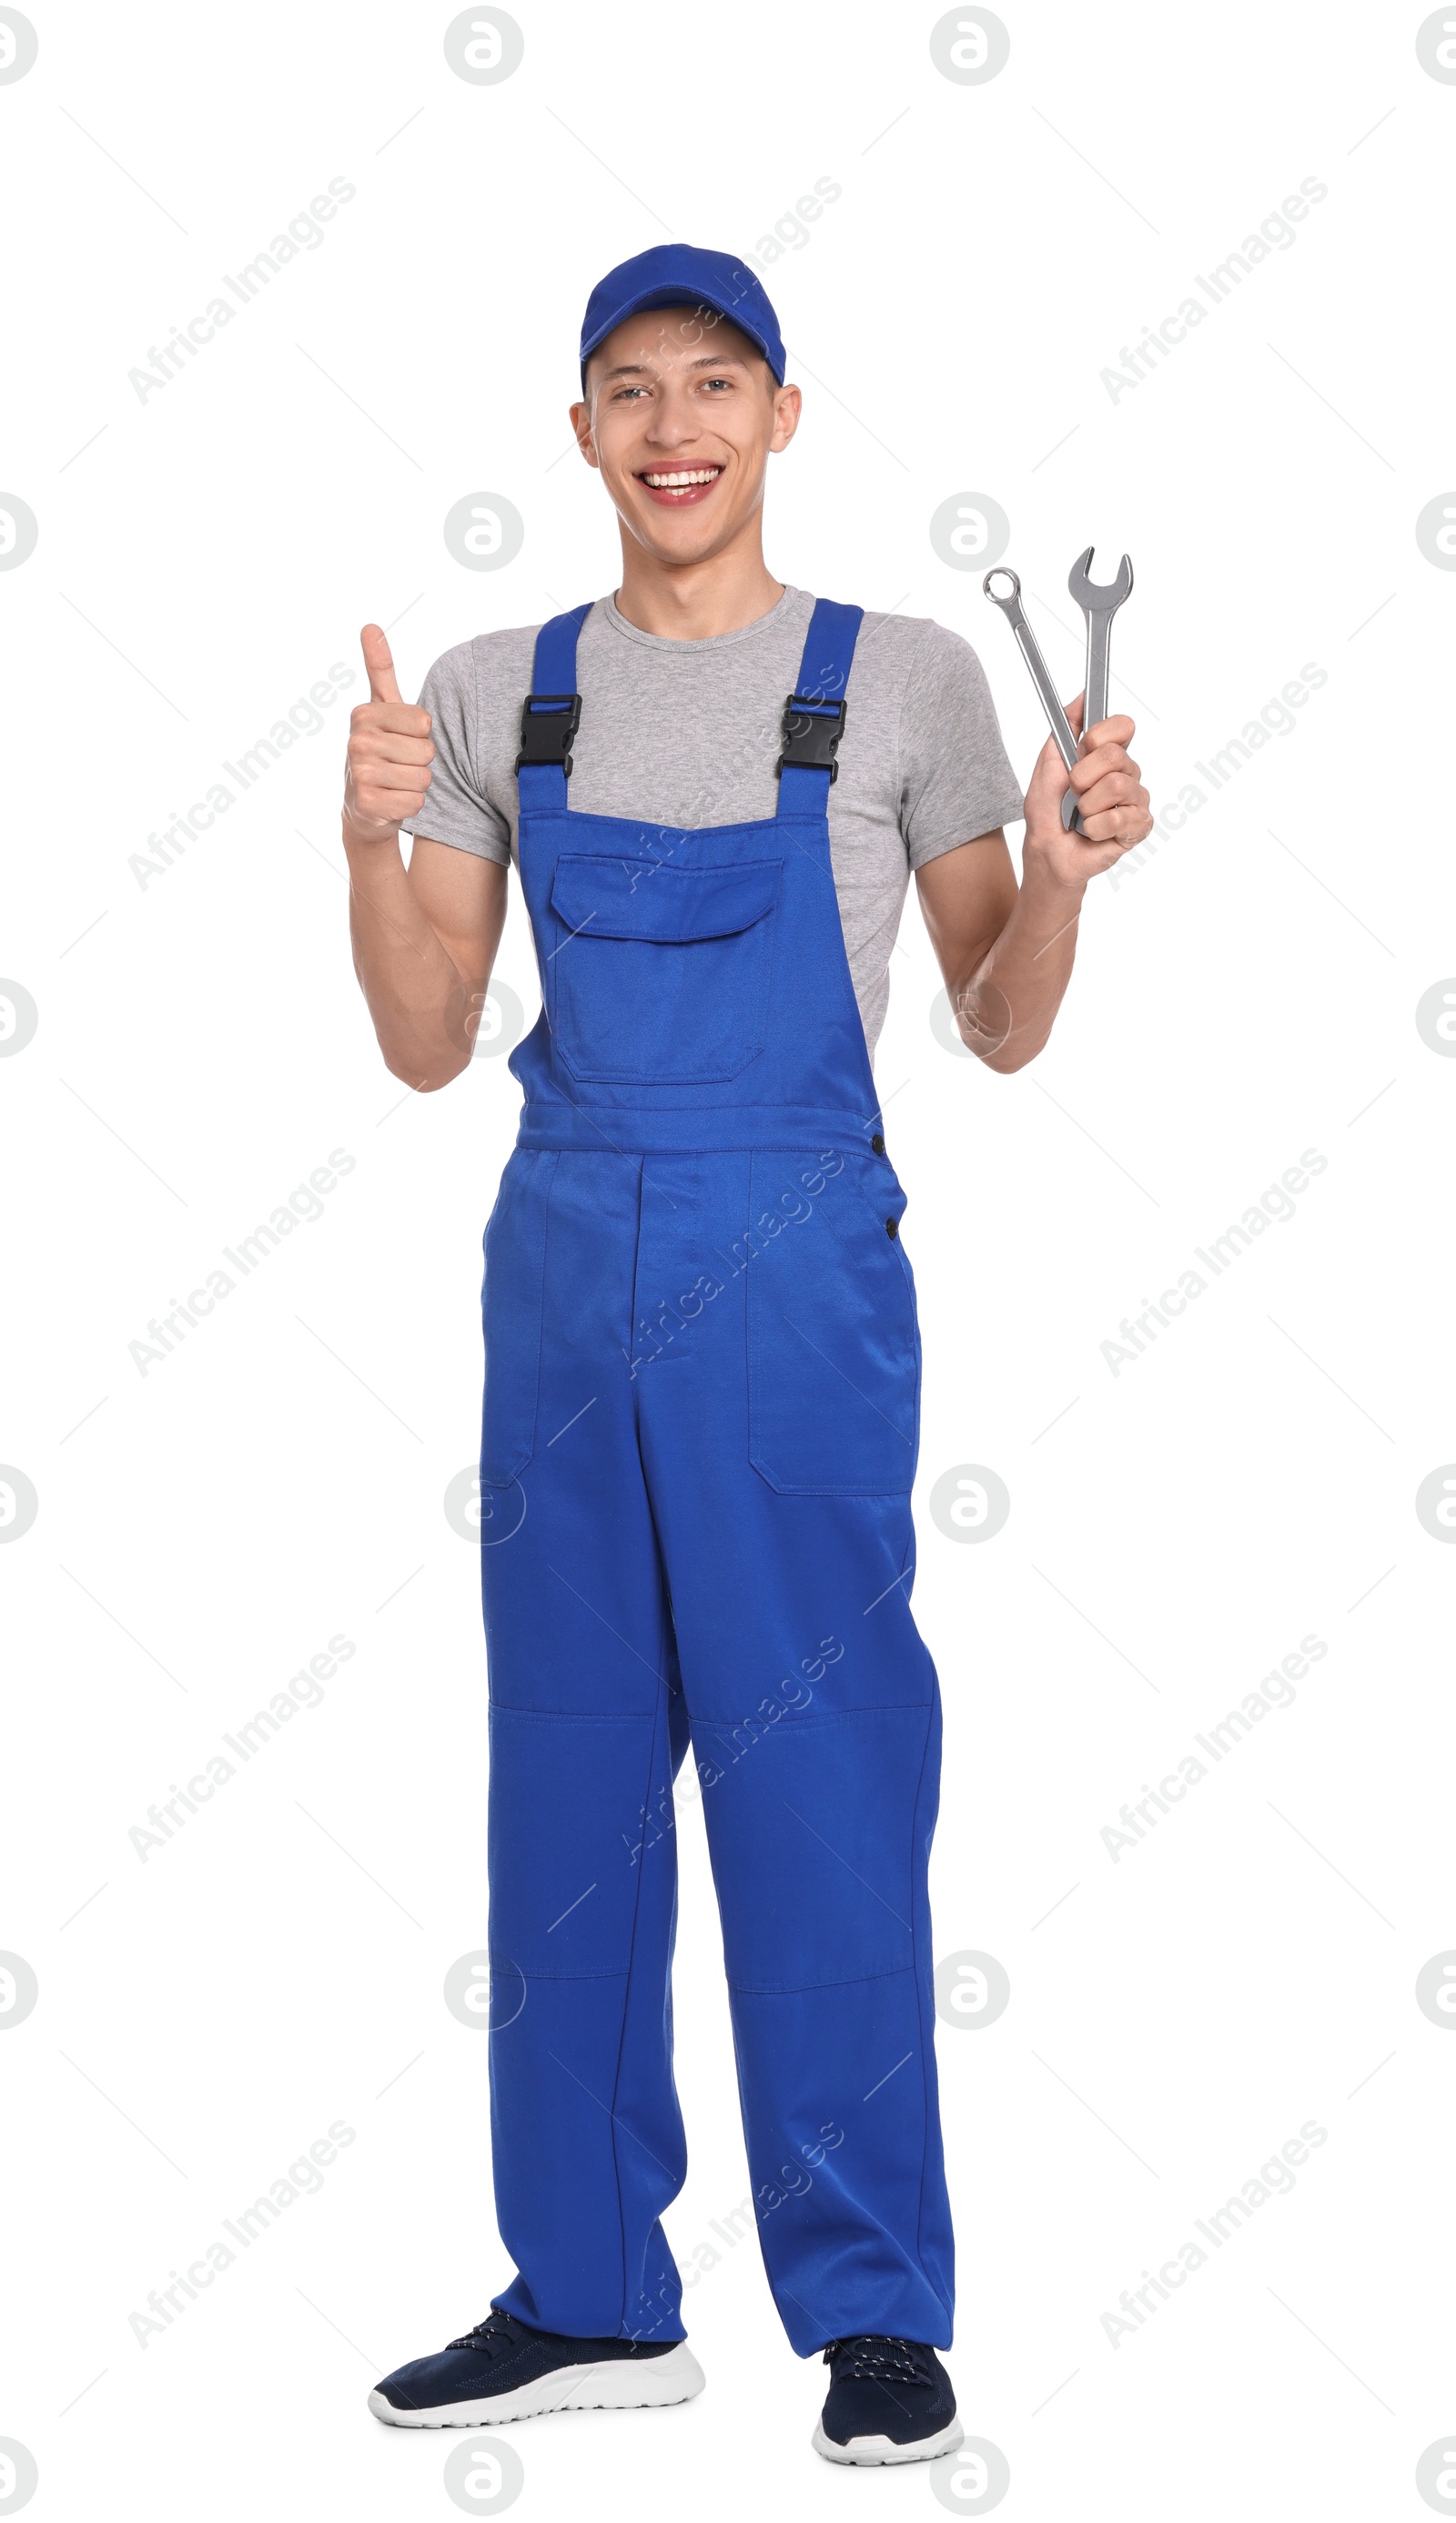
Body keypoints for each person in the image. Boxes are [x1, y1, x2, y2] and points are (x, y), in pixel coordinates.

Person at [344, 243, 1151, 2466]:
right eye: (626, 387)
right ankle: (589, 2293)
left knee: (818, 1793)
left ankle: (870, 2310)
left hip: (792, 1292)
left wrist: (1064, 875)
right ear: (582, 429)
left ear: (783, 414)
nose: (670, 421)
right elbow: (426, 1048)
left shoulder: (895, 683)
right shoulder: (505, 689)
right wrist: (362, 834)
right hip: (561, 1303)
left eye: (714, 382)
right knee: (569, 1797)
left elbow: (989, 1026)